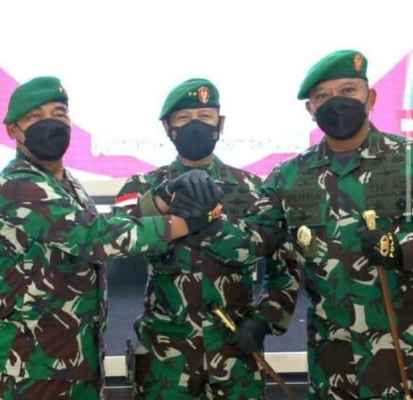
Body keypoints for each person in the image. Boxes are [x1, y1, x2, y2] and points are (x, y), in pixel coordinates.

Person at [197, 50, 413, 399]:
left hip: (404, 353)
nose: (336, 102)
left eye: (348, 91)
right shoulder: (289, 177)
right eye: (323, 96)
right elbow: (249, 243)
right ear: (311, 109)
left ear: (370, 98)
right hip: (334, 362)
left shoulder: (408, 160)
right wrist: (201, 218)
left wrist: (401, 249)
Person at [0, 76, 221, 400]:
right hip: (33, 366)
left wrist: (161, 197)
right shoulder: (19, 186)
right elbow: (96, 237)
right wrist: (185, 222)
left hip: (73, 358)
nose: (51, 123)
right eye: (35, 117)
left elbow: (102, 225)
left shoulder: (65, 183)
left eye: (59, 113)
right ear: (13, 131)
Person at [115, 78, 299, 399]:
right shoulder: (143, 187)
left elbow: (283, 267)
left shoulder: (254, 189)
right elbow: (118, 238)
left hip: (234, 349)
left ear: (220, 124)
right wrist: (164, 202)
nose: (195, 125)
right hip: (165, 356)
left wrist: (265, 319)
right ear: (168, 128)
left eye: (205, 116)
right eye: (184, 118)